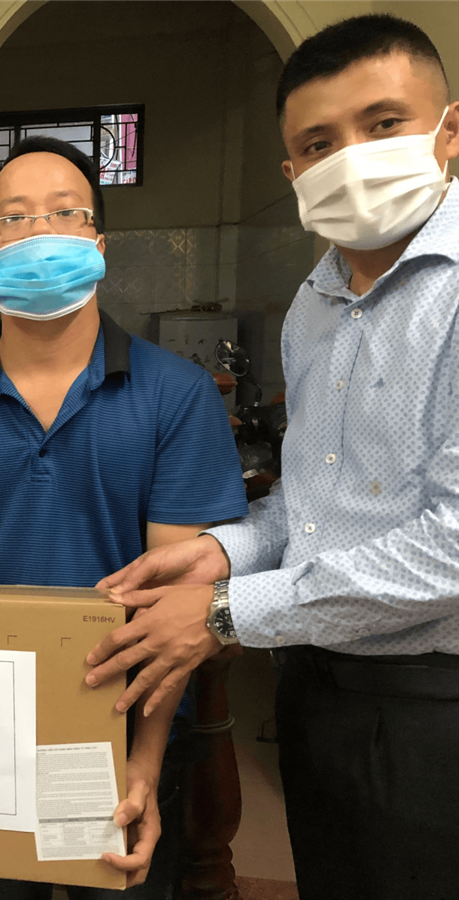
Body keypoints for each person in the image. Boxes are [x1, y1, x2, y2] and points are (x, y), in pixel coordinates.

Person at [84, 15, 459, 900]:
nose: (352, 158)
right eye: (319, 143)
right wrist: (222, 552)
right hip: (317, 688)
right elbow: (310, 505)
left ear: (450, 132)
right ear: (293, 172)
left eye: (384, 124)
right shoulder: (314, 306)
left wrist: (224, 611)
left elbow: (452, 547)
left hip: (434, 703)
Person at [0, 137, 250, 899]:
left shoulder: (176, 396)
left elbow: (177, 608)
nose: (39, 232)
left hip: (120, 729)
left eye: (64, 213)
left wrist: (143, 763)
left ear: (99, 243)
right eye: (13, 218)